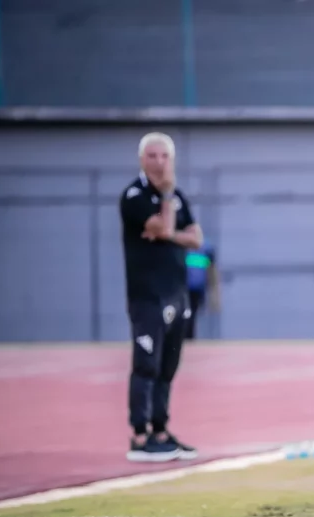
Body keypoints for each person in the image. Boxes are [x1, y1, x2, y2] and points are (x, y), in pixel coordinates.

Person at [119, 132, 202, 463]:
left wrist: (170, 233)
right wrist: (166, 200)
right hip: (147, 296)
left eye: (164, 156)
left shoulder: (178, 195)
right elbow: (163, 226)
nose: (159, 162)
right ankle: (140, 436)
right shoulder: (134, 196)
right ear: (142, 160)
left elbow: (195, 238)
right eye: (152, 156)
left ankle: (161, 431)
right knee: (146, 366)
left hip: (176, 293)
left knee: (168, 366)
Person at [185, 241, 220, 340]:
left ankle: (189, 339)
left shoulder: (206, 248)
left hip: (197, 290)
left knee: (191, 316)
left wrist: (214, 295)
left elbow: (212, 271)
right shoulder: (181, 246)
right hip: (183, 290)